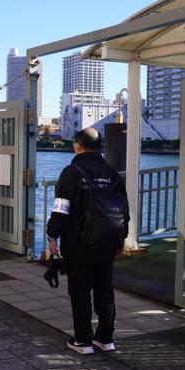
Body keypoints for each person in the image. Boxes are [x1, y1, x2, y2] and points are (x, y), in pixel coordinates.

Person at [46, 127, 129, 355]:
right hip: (107, 242)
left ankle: (83, 340)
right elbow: (124, 209)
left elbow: (61, 210)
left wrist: (52, 235)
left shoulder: (71, 172)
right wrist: (121, 239)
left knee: (80, 290)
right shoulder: (112, 173)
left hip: (78, 243)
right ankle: (106, 337)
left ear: (78, 146)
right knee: (104, 288)